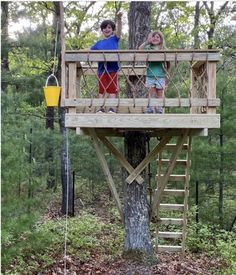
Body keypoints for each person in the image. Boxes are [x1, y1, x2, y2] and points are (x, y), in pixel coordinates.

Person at [91, 13, 123, 113]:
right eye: (104, 27)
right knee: (102, 89)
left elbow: (119, 30)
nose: (107, 29)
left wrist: (119, 19)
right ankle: (100, 108)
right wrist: (76, 52)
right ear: (102, 30)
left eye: (109, 27)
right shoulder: (99, 43)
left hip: (112, 69)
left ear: (112, 29)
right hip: (102, 70)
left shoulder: (115, 39)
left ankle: (112, 108)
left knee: (112, 89)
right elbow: (90, 50)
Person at [139, 31, 170, 113]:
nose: (155, 38)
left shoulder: (163, 49)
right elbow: (140, 49)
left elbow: (169, 59)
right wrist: (147, 41)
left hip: (161, 75)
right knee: (151, 93)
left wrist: (167, 73)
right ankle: (151, 108)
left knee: (160, 93)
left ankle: (160, 109)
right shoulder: (149, 47)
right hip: (150, 74)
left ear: (161, 39)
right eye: (153, 37)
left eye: (157, 37)